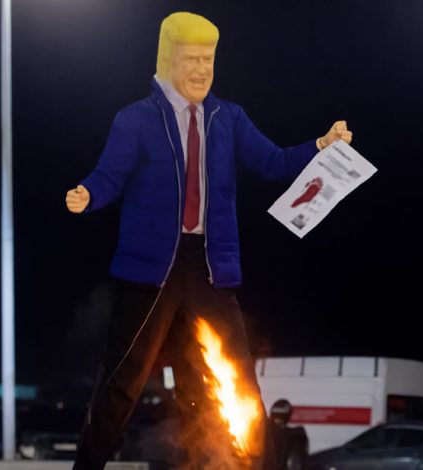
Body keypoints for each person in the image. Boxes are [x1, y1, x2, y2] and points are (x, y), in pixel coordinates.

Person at [65, 11, 352, 470]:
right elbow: (110, 174)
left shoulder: (228, 118)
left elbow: (274, 162)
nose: (202, 69)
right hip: (150, 271)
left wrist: (320, 146)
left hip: (209, 268)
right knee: (123, 381)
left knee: (235, 380)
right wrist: (88, 194)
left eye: (209, 59)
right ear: (167, 59)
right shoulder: (135, 120)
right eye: (192, 59)